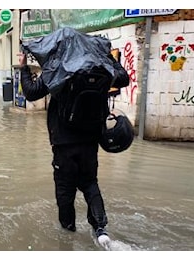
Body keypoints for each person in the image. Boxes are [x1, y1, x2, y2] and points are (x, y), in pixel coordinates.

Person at [17, 41, 129, 244]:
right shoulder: (100, 67)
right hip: (90, 141)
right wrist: (108, 57)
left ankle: (67, 237)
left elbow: (32, 92)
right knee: (90, 183)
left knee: (65, 192)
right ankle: (101, 229)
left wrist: (23, 67)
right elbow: (124, 79)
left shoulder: (58, 68)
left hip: (63, 144)